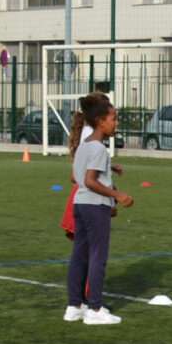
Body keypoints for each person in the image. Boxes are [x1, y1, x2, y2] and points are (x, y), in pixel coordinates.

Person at [66, 94, 133, 326]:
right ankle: (95, 308)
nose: (116, 123)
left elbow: (75, 177)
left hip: (80, 205)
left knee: (80, 255)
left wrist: (109, 170)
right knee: (97, 257)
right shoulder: (99, 150)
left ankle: (74, 306)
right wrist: (117, 195)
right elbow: (91, 180)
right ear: (100, 121)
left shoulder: (84, 146)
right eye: (113, 118)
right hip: (95, 207)